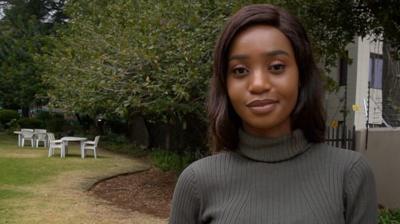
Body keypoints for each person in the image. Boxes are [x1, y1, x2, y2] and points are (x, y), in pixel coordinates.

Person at [169, 4, 378, 224]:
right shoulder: (196, 183)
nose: (258, 84)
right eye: (240, 71)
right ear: (225, 84)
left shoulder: (350, 175)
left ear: (301, 75)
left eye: (277, 67)